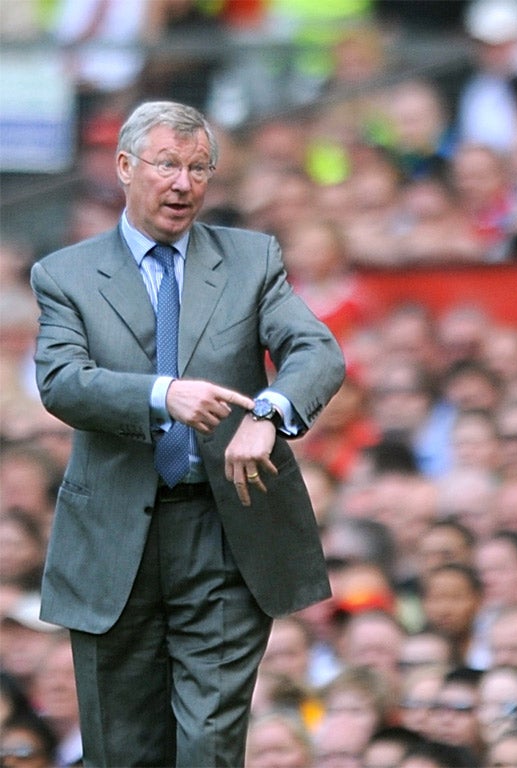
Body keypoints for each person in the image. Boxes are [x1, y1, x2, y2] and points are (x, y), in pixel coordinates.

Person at [30, 100, 346, 765]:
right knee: (124, 752)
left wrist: (266, 414)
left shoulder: (251, 260)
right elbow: (61, 381)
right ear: (124, 167)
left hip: (225, 532)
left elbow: (317, 352)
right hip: (115, 541)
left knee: (208, 747)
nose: (184, 184)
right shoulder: (66, 274)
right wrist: (161, 394)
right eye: (168, 164)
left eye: (200, 168)